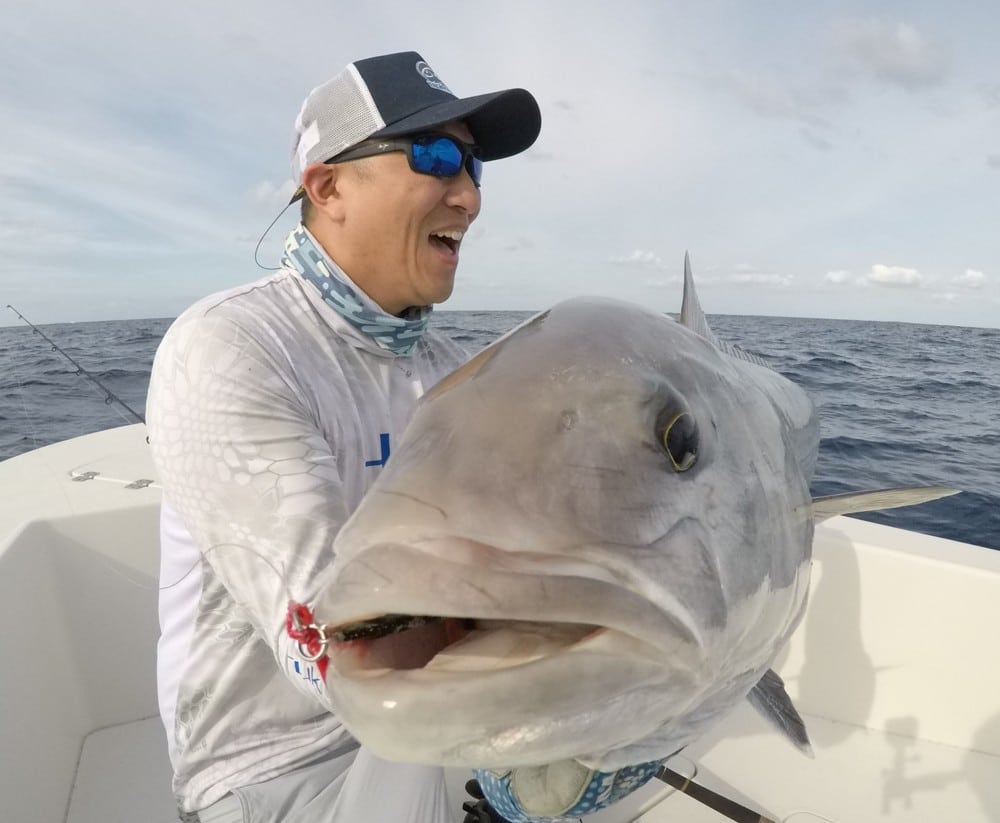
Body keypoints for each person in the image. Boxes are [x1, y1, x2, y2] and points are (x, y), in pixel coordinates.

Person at [147, 51, 541, 823]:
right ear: (327, 187)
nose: (468, 195)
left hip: (440, 724)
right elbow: (337, 645)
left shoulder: (461, 371)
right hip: (276, 769)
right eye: (436, 156)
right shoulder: (229, 348)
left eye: (475, 169)